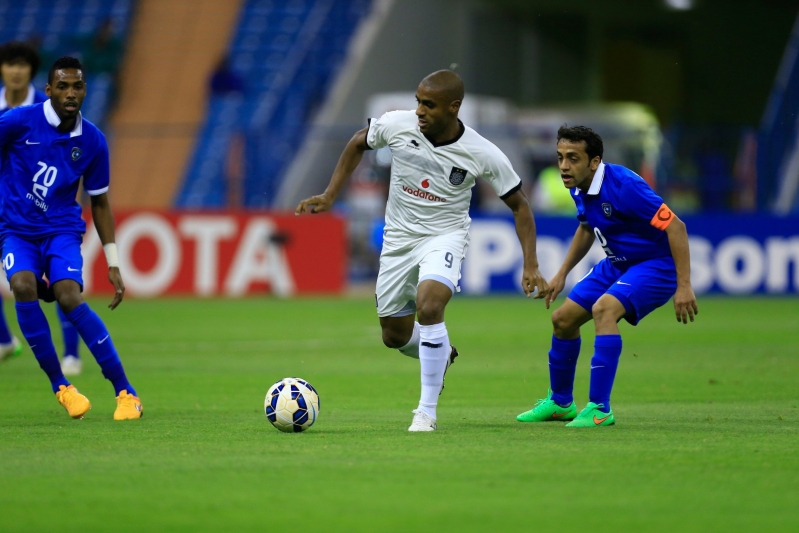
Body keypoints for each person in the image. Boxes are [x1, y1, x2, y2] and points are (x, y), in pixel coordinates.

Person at [297, 70, 549, 431]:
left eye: (428, 104)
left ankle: (426, 411)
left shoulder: (482, 152)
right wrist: (330, 194)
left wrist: (530, 264)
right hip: (398, 239)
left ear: (453, 107)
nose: (419, 110)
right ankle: (440, 352)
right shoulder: (398, 126)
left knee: (430, 306)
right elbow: (357, 142)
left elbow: (520, 205)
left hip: (444, 236)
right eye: (418, 101)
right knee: (394, 336)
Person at [516, 125, 698, 427]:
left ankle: (600, 409)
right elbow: (587, 226)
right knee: (563, 319)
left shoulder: (625, 186)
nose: (563, 166)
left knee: (604, 309)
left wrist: (684, 285)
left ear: (594, 162)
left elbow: (675, 226)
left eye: (572, 158)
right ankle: (561, 403)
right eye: (560, 157)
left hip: (656, 264)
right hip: (617, 263)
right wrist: (562, 273)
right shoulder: (577, 184)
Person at [0, 56, 142, 420]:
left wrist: (113, 262)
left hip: (61, 230)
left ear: (84, 90)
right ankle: (62, 386)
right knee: (23, 285)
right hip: (16, 230)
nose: (70, 92)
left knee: (67, 294)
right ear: (48, 90)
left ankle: (126, 393)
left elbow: (100, 202)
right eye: (62, 86)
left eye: (77, 86)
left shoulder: (93, 140)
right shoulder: (18, 121)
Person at [0, 41, 83, 375]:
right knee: (22, 280)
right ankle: (6, 340)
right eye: (9, 64)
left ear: (33, 73)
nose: (16, 71)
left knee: (62, 280)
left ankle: (72, 353)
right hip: (10, 207)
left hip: (49, 209)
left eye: (22, 65)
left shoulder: (47, 106)